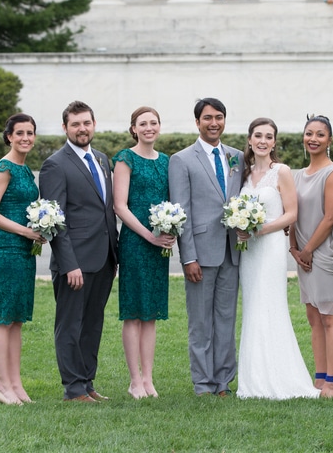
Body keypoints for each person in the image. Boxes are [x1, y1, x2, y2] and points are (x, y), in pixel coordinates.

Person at [39, 101, 118, 403]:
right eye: (75, 124)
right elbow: (55, 219)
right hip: (74, 262)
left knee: (93, 323)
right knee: (70, 325)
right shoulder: (55, 165)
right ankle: (72, 388)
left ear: (94, 124)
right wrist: (68, 263)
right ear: (65, 128)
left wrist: (115, 255)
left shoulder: (101, 159)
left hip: (104, 258)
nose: (82, 129)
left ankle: (87, 383)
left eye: (86, 123)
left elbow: (105, 211)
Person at [236, 118, 319, 400]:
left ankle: (281, 377)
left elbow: (291, 213)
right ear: (249, 140)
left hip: (270, 247)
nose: (262, 141)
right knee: (252, 308)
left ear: (274, 142)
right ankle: (253, 378)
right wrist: (242, 228)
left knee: (270, 305)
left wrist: (260, 229)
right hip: (249, 253)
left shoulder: (281, 171)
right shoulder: (243, 174)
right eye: (257, 135)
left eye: (268, 137)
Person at [168, 98, 243, 397]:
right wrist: (189, 257)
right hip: (200, 251)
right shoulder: (182, 159)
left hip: (232, 252)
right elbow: (181, 208)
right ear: (197, 122)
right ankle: (203, 384)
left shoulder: (237, 157)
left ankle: (223, 382)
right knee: (200, 323)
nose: (214, 123)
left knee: (226, 320)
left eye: (220, 117)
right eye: (208, 118)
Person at [0, 113, 47, 405]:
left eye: (30, 133)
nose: (25, 138)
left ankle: (16, 384)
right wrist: (25, 231)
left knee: (17, 320)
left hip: (25, 252)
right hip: (7, 250)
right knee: (3, 318)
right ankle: (1, 386)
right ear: (9, 136)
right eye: (19, 133)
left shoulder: (25, 168)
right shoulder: (4, 168)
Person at [112, 106, 176, 399]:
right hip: (137, 242)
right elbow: (120, 206)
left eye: (153, 123)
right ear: (134, 129)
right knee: (134, 313)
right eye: (143, 124)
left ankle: (149, 378)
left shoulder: (166, 161)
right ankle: (134, 380)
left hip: (159, 245)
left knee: (151, 313)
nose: (149, 127)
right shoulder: (126, 159)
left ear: (159, 127)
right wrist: (149, 236)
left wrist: (170, 228)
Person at [289, 115, 333, 399]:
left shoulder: (332, 174)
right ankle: (320, 376)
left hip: (325, 253)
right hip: (303, 254)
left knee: (328, 316)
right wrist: (294, 248)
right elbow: (292, 215)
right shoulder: (298, 174)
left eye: (320, 134)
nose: (313, 138)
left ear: (329, 141)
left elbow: (329, 217)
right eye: (309, 133)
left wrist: (309, 249)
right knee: (313, 316)